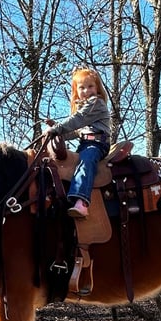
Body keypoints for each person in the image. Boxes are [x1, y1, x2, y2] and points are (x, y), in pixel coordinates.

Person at [44, 68, 111, 219]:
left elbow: (78, 119)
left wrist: (57, 129)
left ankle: (82, 202)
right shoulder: (84, 107)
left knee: (86, 162)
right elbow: (75, 131)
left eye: (90, 86)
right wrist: (56, 133)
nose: (87, 91)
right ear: (76, 90)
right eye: (82, 87)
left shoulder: (96, 103)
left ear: (97, 88)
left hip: (98, 144)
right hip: (84, 144)